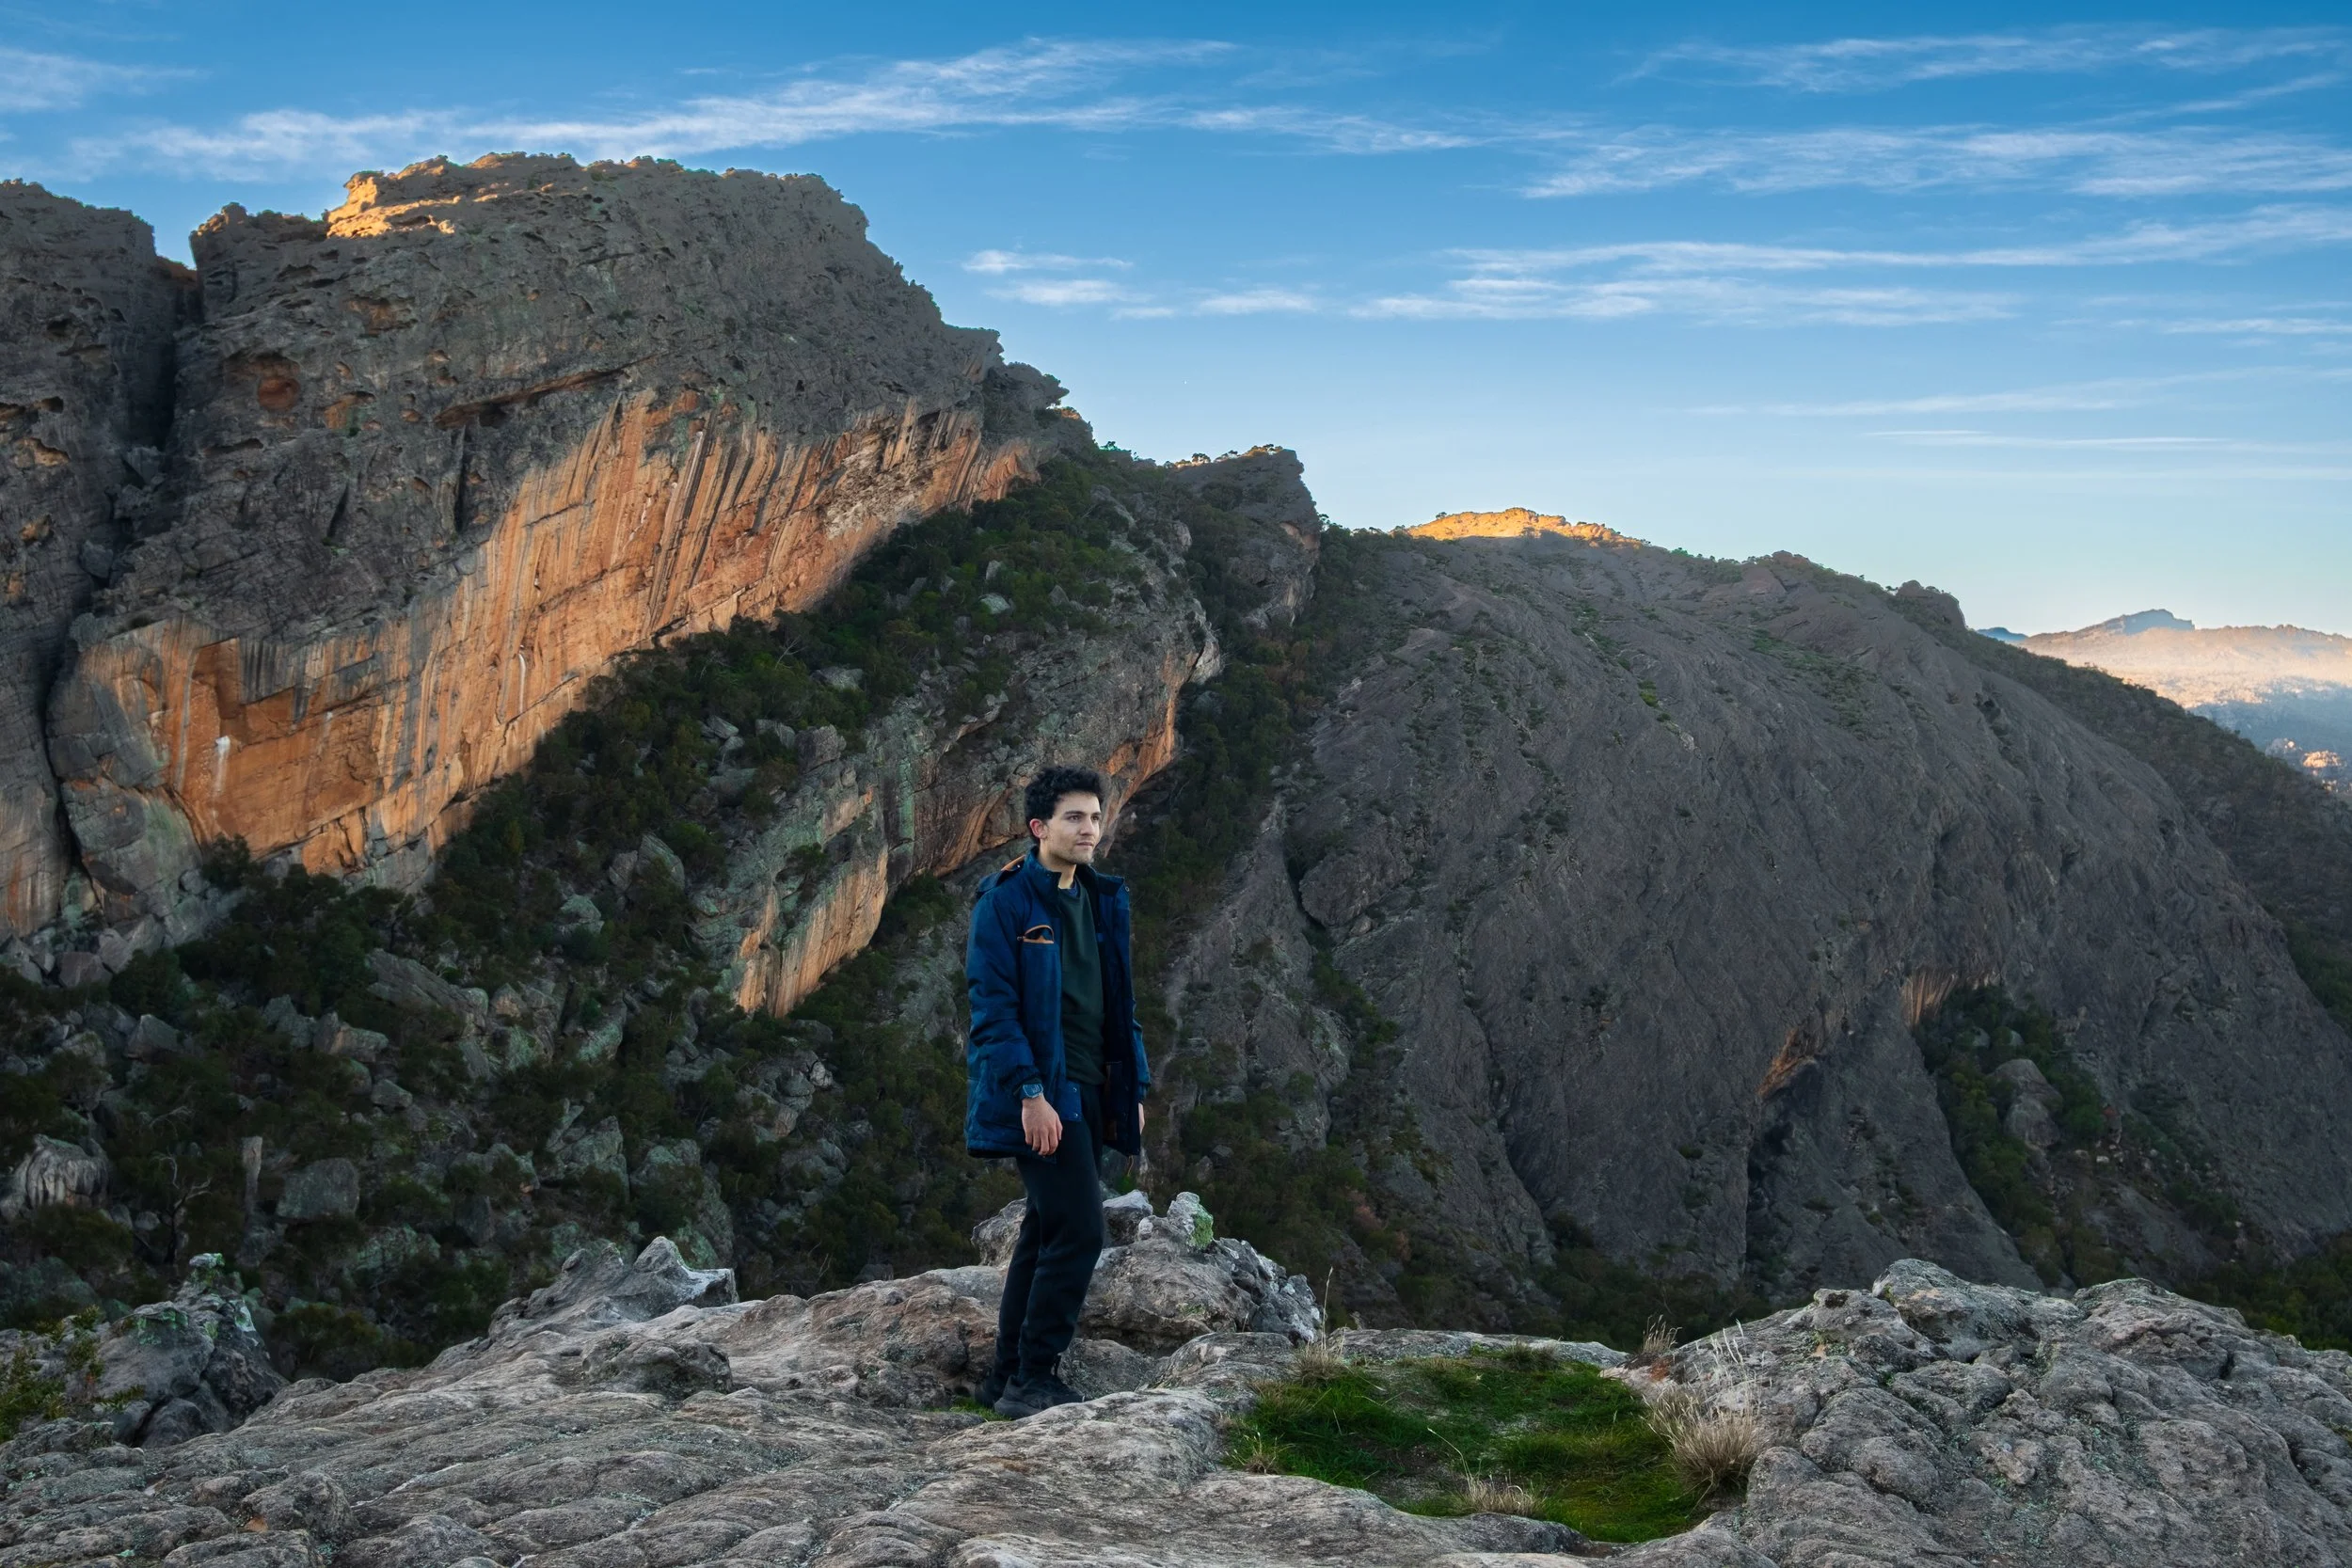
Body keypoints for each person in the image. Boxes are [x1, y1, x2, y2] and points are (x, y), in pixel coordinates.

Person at [963, 764, 1150, 1418]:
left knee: (1046, 1230)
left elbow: (1118, 1001)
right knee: (1080, 1231)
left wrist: (1135, 1084)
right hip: (1045, 1093)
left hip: (1095, 1084)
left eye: (1095, 817)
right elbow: (993, 1010)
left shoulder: (1102, 896)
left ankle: (1004, 1376)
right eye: (1074, 817)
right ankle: (1034, 1378)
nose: (1089, 829)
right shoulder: (1006, 902)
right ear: (1039, 827)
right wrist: (1031, 1092)